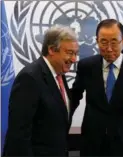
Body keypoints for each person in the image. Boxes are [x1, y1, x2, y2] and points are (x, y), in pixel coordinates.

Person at [71, 19, 123, 156]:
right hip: (93, 143)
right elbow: (74, 96)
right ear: (97, 41)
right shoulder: (86, 66)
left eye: (114, 42)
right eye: (104, 42)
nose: (109, 48)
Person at [3, 25, 79, 156]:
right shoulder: (29, 78)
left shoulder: (59, 74)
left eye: (75, 53)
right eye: (69, 52)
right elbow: (19, 134)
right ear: (51, 49)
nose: (74, 59)